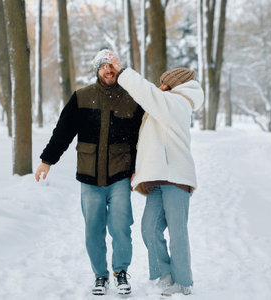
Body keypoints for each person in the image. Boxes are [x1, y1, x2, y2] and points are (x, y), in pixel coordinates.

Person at [35, 49, 144, 296]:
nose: (109, 69)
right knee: (93, 229)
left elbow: (140, 139)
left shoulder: (131, 99)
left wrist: (138, 169)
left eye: (113, 65)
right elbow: (62, 132)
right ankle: (100, 275)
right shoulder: (82, 97)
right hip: (90, 177)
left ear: (119, 69)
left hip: (120, 175)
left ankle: (121, 272)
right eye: (104, 65)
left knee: (121, 227)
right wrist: (47, 160)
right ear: (97, 70)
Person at [110, 56, 203, 296]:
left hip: (177, 179)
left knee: (177, 233)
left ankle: (183, 282)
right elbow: (149, 143)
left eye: (164, 84)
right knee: (148, 229)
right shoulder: (167, 104)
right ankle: (163, 275)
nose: (159, 87)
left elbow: (148, 93)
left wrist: (123, 73)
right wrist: (139, 173)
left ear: (174, 86)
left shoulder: (178, 104)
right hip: (158, 179)